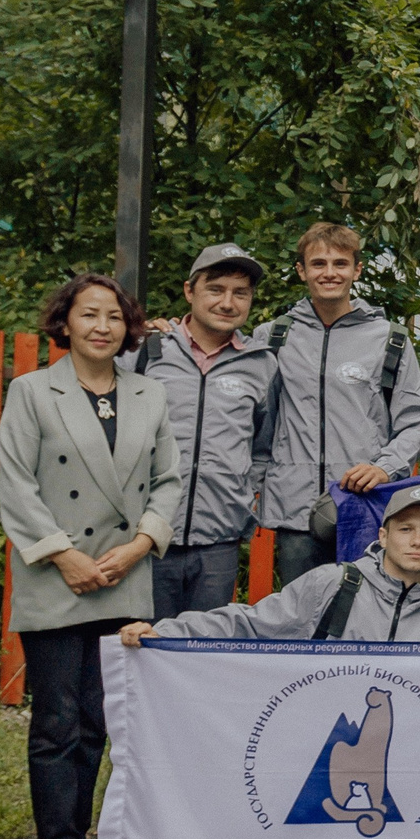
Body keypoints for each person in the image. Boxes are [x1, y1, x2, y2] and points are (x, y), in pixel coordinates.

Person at [0, 272, 182, 839]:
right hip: (58, 575)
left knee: (101, 718)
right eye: (88, 315)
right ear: (65, 323)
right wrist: (64, 555)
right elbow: (16, 485)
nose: (101, 326)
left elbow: (168, 481)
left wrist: (140, 546)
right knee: (56, 720)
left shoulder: (149, 395)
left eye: (113, 316)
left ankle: (93, 838)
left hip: (124, 576)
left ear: (127, 326)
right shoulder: (31, 392)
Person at [255, 223, 420, 590]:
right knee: (301, 622)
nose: (330, 273)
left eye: (340, 263)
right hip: (296, 510)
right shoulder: (274, 337)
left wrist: (384, 468)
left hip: (363, 506)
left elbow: (414, 422)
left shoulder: (390, 340)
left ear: (357, 270)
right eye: (318, 263)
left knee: (365, 621)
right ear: (302, 271)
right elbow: (256, 420)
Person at [126, 242, 282, 620]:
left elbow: (263, 445)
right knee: (143, 652)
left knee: (203, 656)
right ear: (189, 291)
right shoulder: (147, 351)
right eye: (216, 289)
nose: (228, 302)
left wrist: (246, 500)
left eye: (240, 293)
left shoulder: (261, 365)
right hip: (145, 537)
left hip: (219, 544)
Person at [120, 480, 420, 645]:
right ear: (382, 536)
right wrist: (164, 632)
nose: (417, 541)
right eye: (405, 529)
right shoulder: (334, 583)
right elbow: (253, 623)